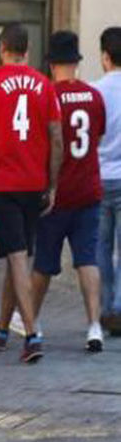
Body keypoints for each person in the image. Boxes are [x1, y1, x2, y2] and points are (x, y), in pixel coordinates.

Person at [0, 23, 63, 363]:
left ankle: (32, 334)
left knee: (17, 256)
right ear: (27, 50)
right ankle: (2, 328)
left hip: (0, 183)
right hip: (33, 183)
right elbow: (56, 138)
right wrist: (52, 183)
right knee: (17, 254)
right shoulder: (44, 85)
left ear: (2, 49)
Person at [31, 31, 106, 352]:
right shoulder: (94, 96)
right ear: (77, 62)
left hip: (56, 194)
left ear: (51, 64)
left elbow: (43, 143)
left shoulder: (47, 96)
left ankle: (32, 322)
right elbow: (97, 137)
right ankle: (94, 326)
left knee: (43, 264)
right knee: (87, 260)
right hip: (89, 191)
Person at [95, 26, 121, 335]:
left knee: (101, 247)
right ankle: (119, 306)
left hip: (100, 178)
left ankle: (105, 308)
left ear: (105, 57)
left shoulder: (95, 91)